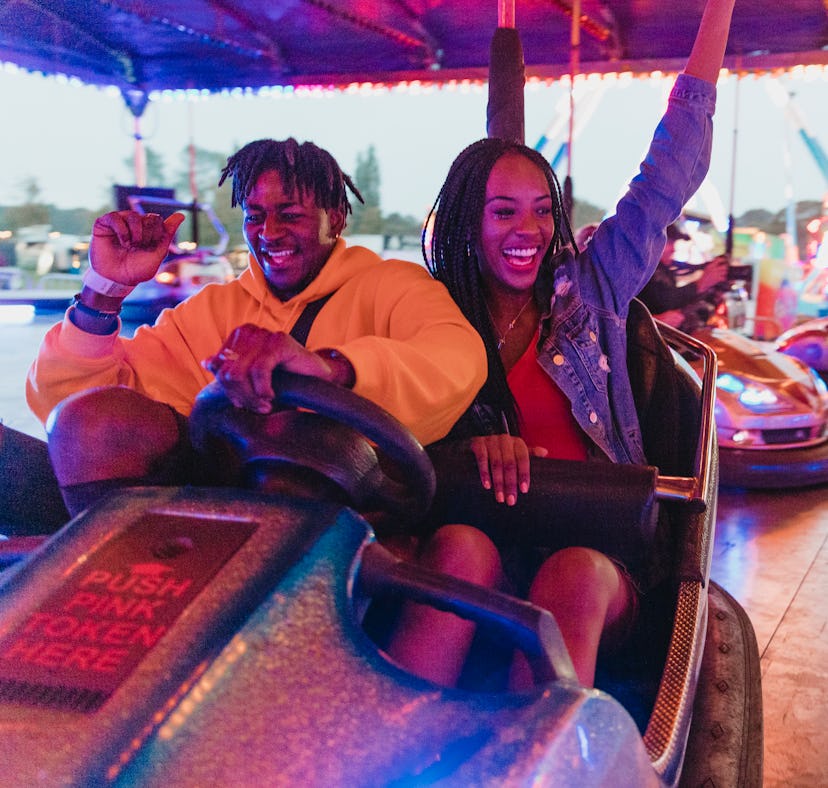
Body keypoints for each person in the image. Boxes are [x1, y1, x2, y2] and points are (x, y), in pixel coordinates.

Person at [386, 0, 736, 689]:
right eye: (504, 211)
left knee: (570, 574)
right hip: (490, 538)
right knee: (457, 549)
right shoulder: (432, 318)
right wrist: (466, 451)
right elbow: (400, 434)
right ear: (464, 220)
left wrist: (717, 9)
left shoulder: (591, 292)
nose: (530, 229)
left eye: (543, 210)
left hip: (602, 551)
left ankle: (539, 754)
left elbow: (670, 172)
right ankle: (386, 742)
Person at [26, 138, 487, 518]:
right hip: (223, 518)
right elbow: (73, 408)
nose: (269, 232)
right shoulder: (211, 310)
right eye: (254, 215)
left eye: (290, 215)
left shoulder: (394, 286)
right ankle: (118, 592)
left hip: (355, 523)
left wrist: (328, 368)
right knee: (87, 419)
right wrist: (105, 289)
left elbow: (458, 358)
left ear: (338, 219)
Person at [637, 222, 730, 331]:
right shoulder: (644, 268)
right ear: (651, 242)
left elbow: (669, 299)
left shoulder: (663, 268)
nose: (673, 249)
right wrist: (700, 285)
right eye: (668, 243)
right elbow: (664, 300)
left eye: (673, 243)